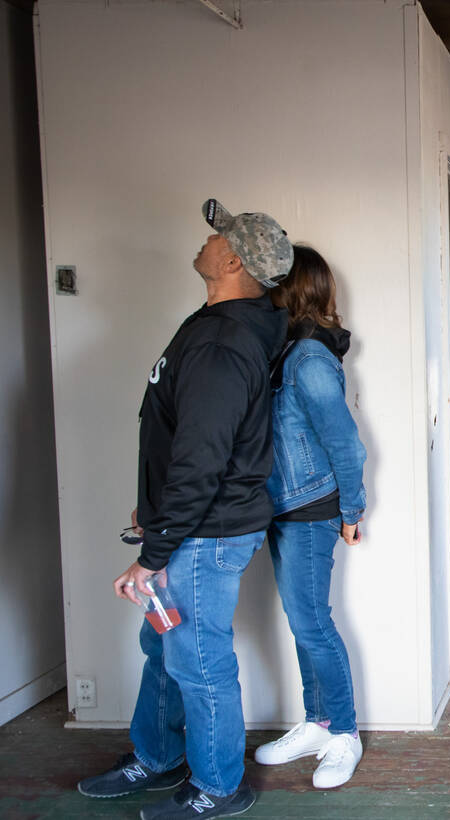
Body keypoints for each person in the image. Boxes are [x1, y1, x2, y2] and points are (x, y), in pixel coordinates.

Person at [78, 199, 291, 820]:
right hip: (190, 528)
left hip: (205, 535)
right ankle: (158, 753)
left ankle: (220, 787)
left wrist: (155, 553)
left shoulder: (224, 341)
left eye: (217, 235)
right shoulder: (216, 323)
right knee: (165, 649)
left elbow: (203, 457)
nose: (207, 239)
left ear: (231, 259)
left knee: (197, 661)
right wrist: (154, 515)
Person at [251, 246, 368, 789]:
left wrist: (351, 509)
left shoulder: (309, 361)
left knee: (313, 624)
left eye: (272, 280)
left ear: (290, 289)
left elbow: (347, 444)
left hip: (310, 508)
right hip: (283, 505)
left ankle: (343, 732)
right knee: (305, 624)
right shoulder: (287, 352)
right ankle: (318, 722)